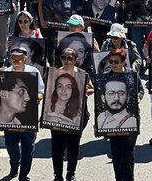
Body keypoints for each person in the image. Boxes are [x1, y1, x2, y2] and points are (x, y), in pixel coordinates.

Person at [99, 48, 143, 181]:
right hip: (111, 122)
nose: (113, 64)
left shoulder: (132, 74)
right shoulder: (105, 76)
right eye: (111, 61)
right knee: (116, 153)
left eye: (116, 62)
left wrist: (139, 97)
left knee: (128, 152)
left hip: (131, 119)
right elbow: (99, 100)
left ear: (124, 62)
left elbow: (140, 89)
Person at [49, 47, 93, 181]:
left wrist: (86, 90)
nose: (66, 61)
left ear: (76, 60)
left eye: (70, 58)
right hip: (56, 115)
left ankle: (71, 172)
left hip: (77, 116)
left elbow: (91, 88)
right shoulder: (54, 73)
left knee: (73, 145)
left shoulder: (82, 74)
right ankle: (57, 174)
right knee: (57, 146)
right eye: (64, 57)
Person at [2, 46, 44, 181]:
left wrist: (38, 96)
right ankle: (14, 165)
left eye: (19, 58)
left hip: (29, 116)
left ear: (25, 59)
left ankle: (23, 174)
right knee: (10, 144)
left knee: (28, 147)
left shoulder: (34, 72)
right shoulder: (5, 73)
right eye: (13, 58)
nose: (16, 61)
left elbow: (41, 91)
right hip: (10, 119)